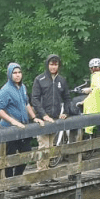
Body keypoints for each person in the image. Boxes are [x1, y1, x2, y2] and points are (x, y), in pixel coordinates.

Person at [0, 63, 44, 180]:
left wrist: (34, 117)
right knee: (9, 157)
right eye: (14, 73)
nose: (17, 75)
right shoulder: (5, 90)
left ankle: (17, 179)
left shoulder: (22, 87)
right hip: (9, 128)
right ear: (10, 74)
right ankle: (10, 182)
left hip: (23, 127)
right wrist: (13, 121)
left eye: (19, 72)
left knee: (26, 154)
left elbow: (26, 103)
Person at [30, 54, 71, 182]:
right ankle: (41, 174)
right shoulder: (39, 79)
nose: (53, 66)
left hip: (55, 118)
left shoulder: (61, 80)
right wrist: (43, 115)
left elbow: (67, 98)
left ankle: (46, 172)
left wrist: (67, 112)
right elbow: (34, 99)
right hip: (42, 119)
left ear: (59, 66)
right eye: (51, 64)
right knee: (43, 146)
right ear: (47, 65)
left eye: (56, 64)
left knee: (51, 146)